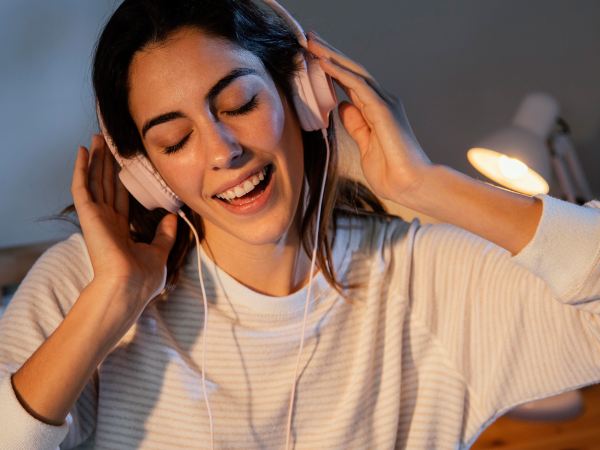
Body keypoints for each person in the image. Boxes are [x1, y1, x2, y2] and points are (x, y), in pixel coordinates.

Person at [1, 0, 599, 449]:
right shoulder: (85, 287)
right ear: (147, 174)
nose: (222, 150)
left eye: (239, 105)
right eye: (176, 139)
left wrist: (428, 185)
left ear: (300, 95)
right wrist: (110, 303)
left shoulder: (427, 278)